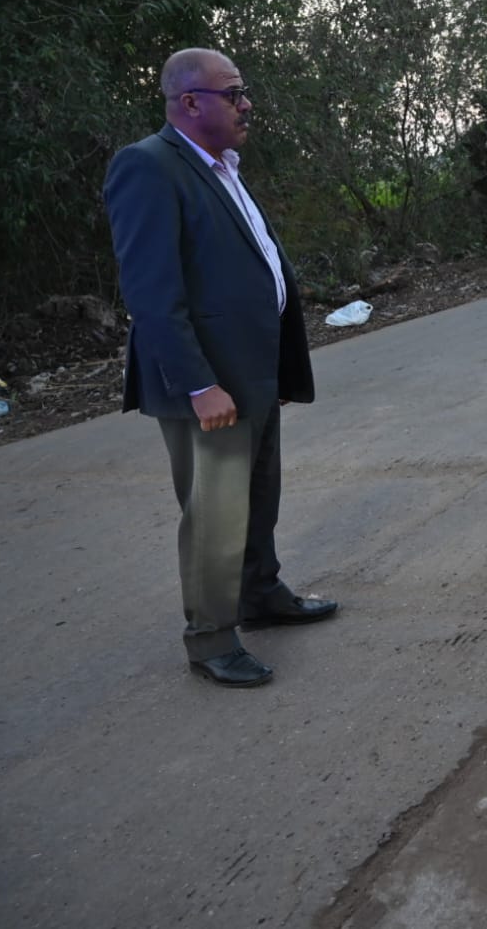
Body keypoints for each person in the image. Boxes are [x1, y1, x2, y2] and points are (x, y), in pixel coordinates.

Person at [104, 47, 338, 688]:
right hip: (207, 382)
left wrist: (274, 367)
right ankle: (210, 639)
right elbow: (152, 294)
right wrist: (200, 383)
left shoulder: (222, 167)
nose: (246, 104)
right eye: (233, 93)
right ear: (189, 103)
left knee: (258, 495)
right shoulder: (148, 167)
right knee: (215, 512)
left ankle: (259, 594)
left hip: (251, 373)